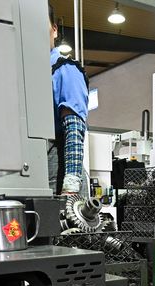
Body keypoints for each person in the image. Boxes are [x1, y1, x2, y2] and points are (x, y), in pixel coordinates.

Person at [49, 6, 90, 196]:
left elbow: (74, 129)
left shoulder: (64, 69)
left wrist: (71, 188)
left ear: (54, 29)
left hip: (60, 175)